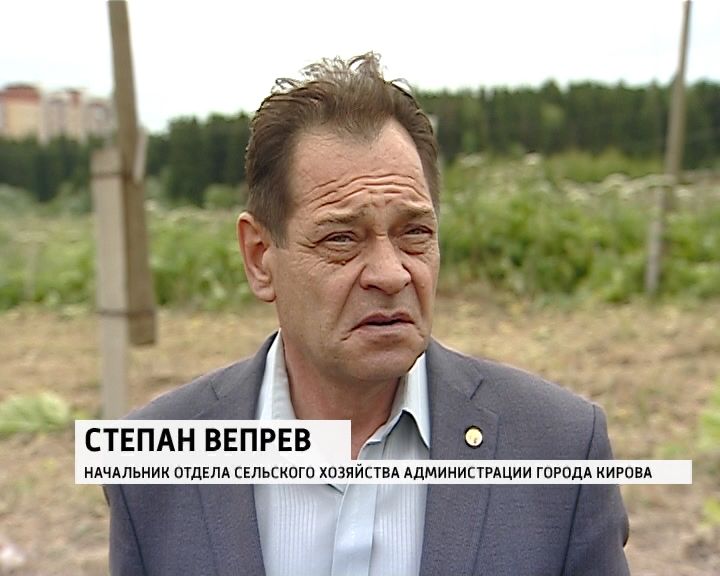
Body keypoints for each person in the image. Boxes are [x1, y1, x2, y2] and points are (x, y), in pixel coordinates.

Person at [104, 53, 630, 575]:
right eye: (342, 239)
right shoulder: (152, 472)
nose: (390, 274)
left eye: (414, 233)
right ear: (260, 258)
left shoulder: (558, 448)